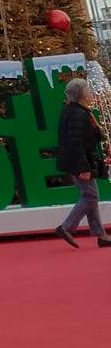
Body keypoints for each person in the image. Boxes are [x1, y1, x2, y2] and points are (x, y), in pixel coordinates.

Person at [54, 78, 110, 249]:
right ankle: (67, 227)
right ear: (82, 95)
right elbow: (75, 142)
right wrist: (83, 168)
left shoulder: (76, 111)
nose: (91, 94)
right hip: (80, 163)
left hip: (80, 161)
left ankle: (100, 235)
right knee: (91, 196)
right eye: (88, 91)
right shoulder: (78, 114)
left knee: (90, 196)